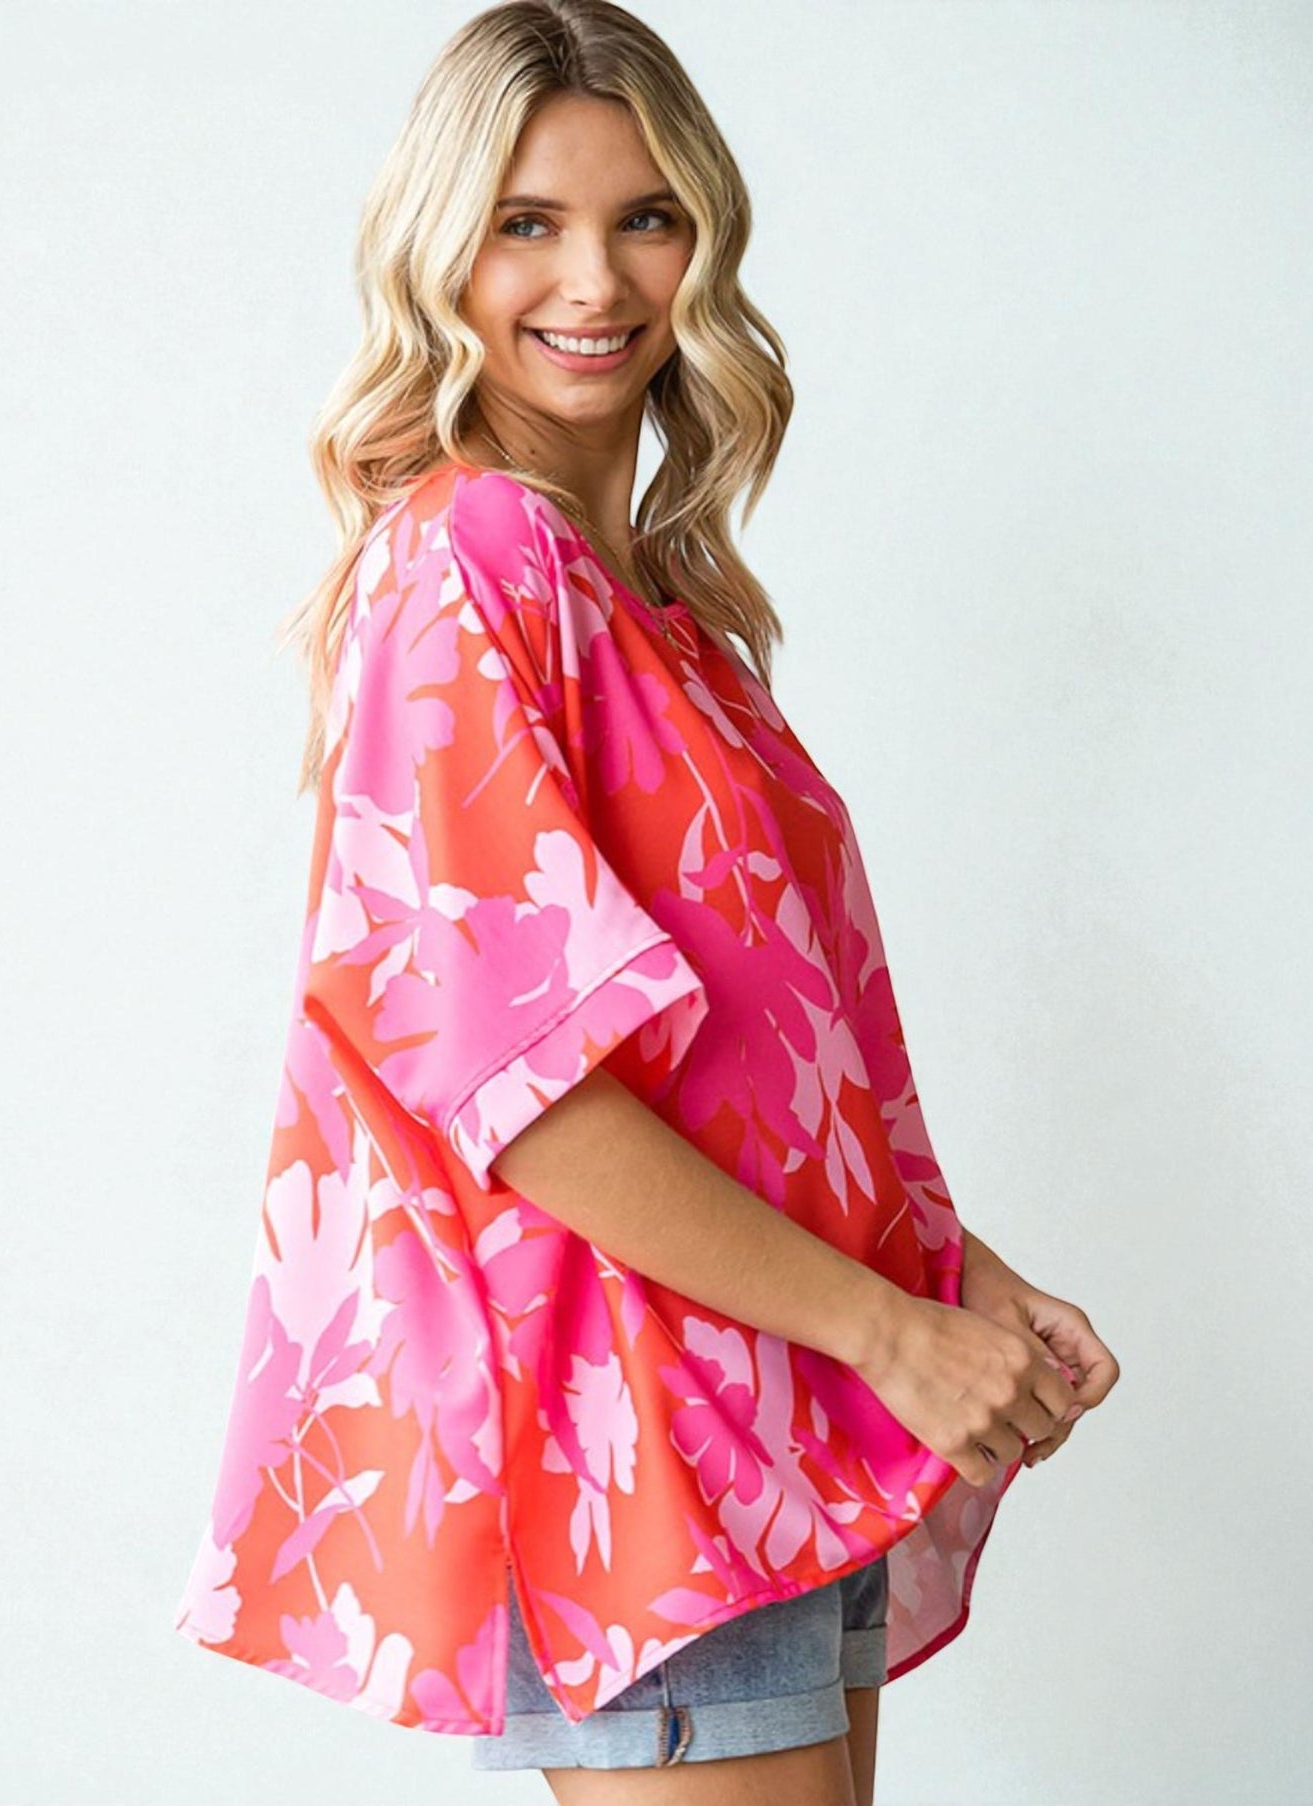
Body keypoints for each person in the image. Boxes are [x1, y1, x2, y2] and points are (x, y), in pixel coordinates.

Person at [172, 4, 1120, 1801]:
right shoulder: (473, 559)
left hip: (778, 1411)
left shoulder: (669, 610)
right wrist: (893, 1332)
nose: (593, 277)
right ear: (438, 248)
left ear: (706, 237)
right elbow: (515, 1095)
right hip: (644, 1439)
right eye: (525, 219)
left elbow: (769, 1068)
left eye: (645, 216)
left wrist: (963, 1290)